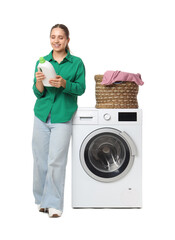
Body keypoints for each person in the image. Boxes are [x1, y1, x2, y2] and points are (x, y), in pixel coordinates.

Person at [32, 24, 86, 218]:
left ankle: (54, 204)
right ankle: (41, 200)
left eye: (61, 37)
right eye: (53, 37)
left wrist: (64, 83)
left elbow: (80, 88)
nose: (56, 40)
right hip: (41, 116)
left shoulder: (77, 63)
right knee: (40, 161)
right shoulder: (42, 61)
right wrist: (39, 80)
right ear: (50, 39)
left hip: (63, 117)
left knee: (56, 161)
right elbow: (38, 92)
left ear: (67, 40)